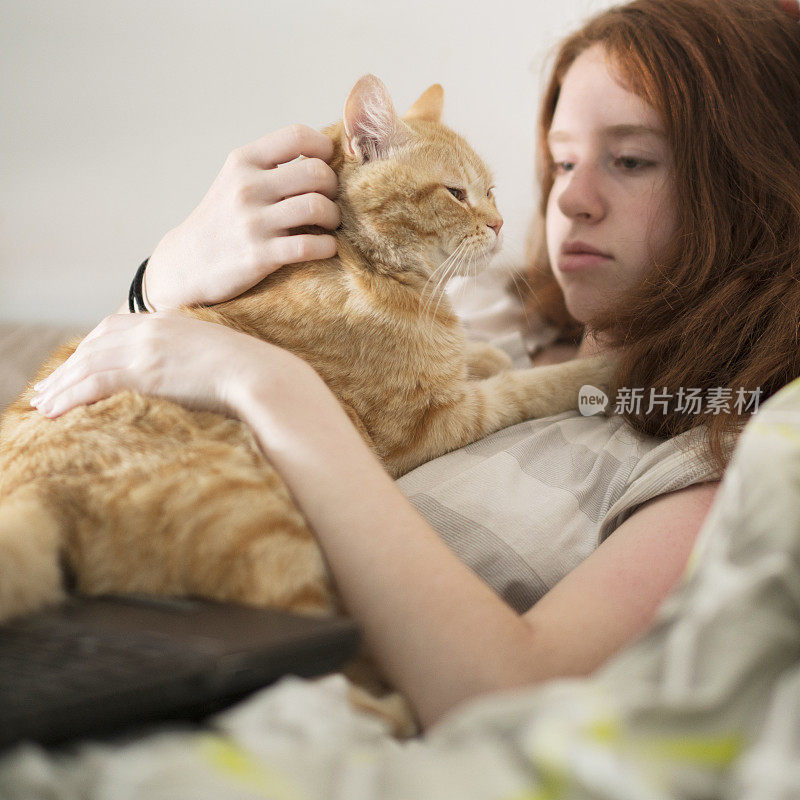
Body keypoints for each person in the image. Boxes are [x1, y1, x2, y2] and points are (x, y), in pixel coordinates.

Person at [26, 0, 800, 733]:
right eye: (561, 163)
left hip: (203, 667)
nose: (572, 200)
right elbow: (127, 398)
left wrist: (267, 384)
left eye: (630, 160)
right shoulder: (482, 301)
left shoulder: (718, 446)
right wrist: (159, 282)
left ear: (754, 186)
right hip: (96, 574)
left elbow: (508, 693)